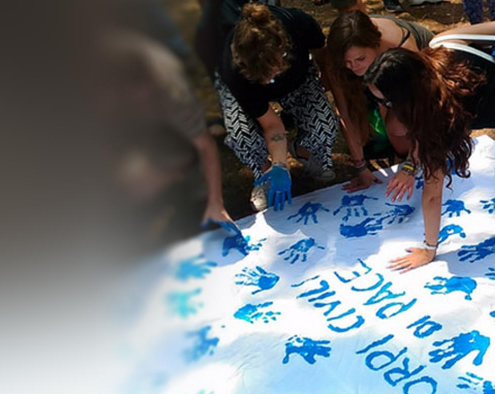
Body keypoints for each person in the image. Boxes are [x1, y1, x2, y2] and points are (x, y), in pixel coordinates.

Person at [363, 21, 495, 271]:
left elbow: (433, 194)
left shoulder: (438, 118)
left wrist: (429, 249)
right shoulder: (443, 44)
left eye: (388, 102)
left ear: (406, 98)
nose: (386, 108)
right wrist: (411, 165)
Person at [99, 30, 239, 244]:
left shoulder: (173, 94)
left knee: (194, 209)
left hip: (167, 129)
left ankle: (194, 194)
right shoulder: (98, 102)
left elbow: (205, 145)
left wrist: (215, 203)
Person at [215, 2, 339, 211]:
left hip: (297, 81)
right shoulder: (233, 67)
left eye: (271, 73)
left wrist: (325, 80)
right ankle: (265, 173)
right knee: (241, 137)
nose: (266, 81)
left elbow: (322, 55)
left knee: (324, 126)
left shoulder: (298, 23)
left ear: (284, 51)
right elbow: (272, 125)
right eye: (260, 76)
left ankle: (303, 151)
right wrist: (279, 164)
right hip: (247, 91)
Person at [323, 10, 433, 194]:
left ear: (375, 45)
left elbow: (422, 108)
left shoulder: (401, 48)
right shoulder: (336, 59)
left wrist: (410, 165)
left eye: (360, 59)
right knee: (369, 134)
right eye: (347, 62)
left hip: (413, 74)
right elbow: (345, 113)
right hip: (377, 80)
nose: (353, 66)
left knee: (398, 131)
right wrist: (360, 166)